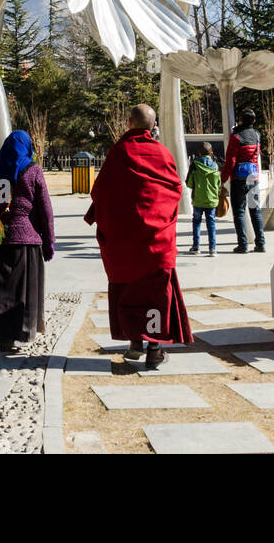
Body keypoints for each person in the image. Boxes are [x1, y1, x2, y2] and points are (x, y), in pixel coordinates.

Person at [84, 104, 193, 369]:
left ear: (129, 122)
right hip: (157, 240)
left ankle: (135, 342)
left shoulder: (119, 152)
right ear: (153, 125)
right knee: (156, 294)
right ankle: (154, 349)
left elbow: (100, 192)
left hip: (124, 242)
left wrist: (103, 217)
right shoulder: (162, 153)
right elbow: (175, 190)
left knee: (129, 291)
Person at [0, 130, 54, 353]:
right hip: (26, 242)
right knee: (22, 291)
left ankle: (2, 336)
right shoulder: (33, 171)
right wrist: (48, 240)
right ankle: (21, 331)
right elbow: (45, 209)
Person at [221, 108, 266, 254]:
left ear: (240, 120)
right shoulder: (257, 135)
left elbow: (230, 160)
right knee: (255, 210)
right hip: (253, 177)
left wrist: (223, 178)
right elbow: (256, 154)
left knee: (239, 211)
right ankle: (261, 243)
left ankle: (243, 244)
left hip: (239, 179)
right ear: (253, 121)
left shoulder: (236, 137)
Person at [185, 142, 221, 256]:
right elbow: (218, 183)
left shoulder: (194, 164)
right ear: (211, 153)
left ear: (199, 153)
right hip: (211, 200)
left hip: (198, 199)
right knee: (211, 223)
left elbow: (189, 183)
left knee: (196, 222)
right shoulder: (215, 165)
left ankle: (196, 247)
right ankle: (212, 249)